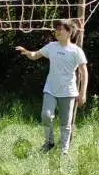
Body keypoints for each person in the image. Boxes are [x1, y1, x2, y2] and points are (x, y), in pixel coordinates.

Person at [15, 18, 89, 154]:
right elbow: (35, 55)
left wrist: (82, 93)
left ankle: (65, 149)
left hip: (68, 91)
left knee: (65, 123)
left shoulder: (76, 51)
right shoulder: (51, 46)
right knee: (46, 115)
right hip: (50, 89)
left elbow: (84, 73)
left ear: (69, 32)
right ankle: (49, 142)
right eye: (57, 29)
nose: (57, 31)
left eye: (60, 29)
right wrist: (27, 52)